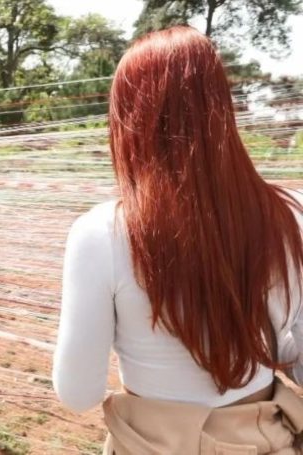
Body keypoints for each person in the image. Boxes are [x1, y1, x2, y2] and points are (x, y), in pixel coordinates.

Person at [53, 26, 303, 454]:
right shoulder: (293, 214)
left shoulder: (100, 234)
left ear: (129, 121)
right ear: (221, 107)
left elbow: (79, 393)